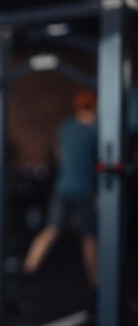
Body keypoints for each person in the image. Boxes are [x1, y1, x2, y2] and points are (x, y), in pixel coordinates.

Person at [23, 90, 98, 289]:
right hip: (85, 189)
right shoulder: (95, 131)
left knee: (51, 229)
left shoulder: (65, 128)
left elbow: (59, 156)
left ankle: (28, 269)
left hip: (63, 186)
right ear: (93, 107)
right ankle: (96, 281)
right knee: (90, 236)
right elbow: (97, 162)